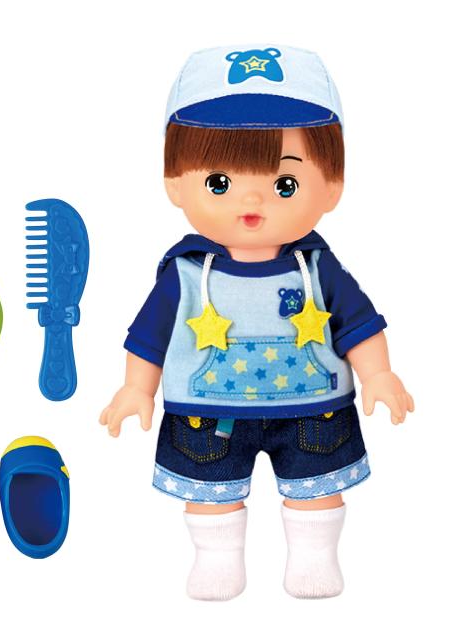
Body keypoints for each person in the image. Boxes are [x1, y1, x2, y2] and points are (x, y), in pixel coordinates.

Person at [99, 45, 414, 600]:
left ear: (333, 185)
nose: (251, 198)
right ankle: (216, 559)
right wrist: (136, 388)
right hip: (207, 415)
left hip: (313, 409)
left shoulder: (317, 267)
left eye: (284, 184)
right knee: (210, 494)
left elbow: (360, 324)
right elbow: (148, 336)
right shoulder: (186, 273)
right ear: (174, 182)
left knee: (316, 491)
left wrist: (379, 374)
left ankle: (315, 555)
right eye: (219, 182)